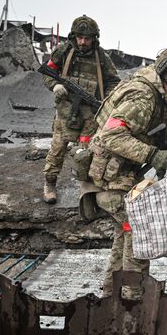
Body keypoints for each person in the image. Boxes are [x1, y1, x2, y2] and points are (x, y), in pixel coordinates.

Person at [85, 47, 167, 299]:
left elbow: (156, 130)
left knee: (125, 231)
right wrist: (151, 155)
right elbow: (111, 136)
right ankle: (133, 296)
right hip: (110, 179)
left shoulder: (159, 94)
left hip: (122, 176)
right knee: (140, 231)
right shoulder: (143, 96)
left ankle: (111, 291)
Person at [42, 15, 120, 204]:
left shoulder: (102, 57)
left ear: (94, 38)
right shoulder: (63, 51)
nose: (83, 42)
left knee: (86, 154)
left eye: (87, 38)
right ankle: (49, 184)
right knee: (57, 150)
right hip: (66, 112)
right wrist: (55, 86)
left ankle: (86, 192)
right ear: (74, 36)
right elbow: (47, 71)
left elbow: (114, 81)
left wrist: (104, 99)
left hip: (90, 116)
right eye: (80, 37)